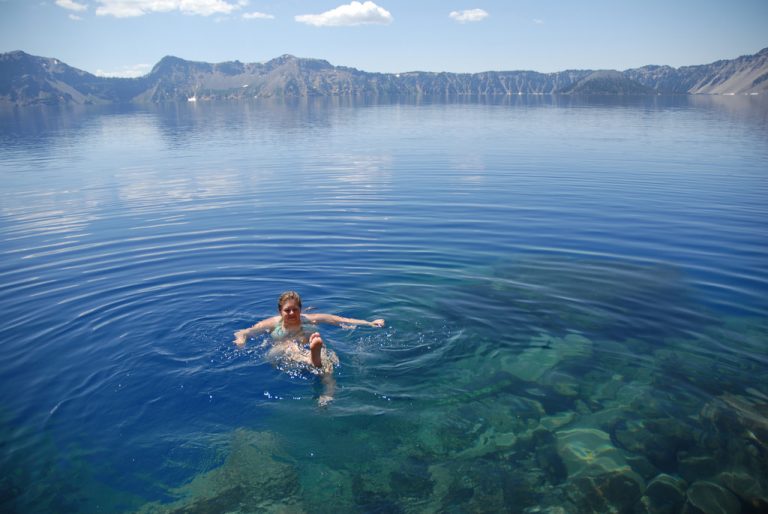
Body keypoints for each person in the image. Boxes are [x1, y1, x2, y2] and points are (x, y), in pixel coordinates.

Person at [233, 291, 385, 404]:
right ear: (280, 311)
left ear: (300, 309)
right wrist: (241, 340)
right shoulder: (272, 323)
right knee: (291, 347)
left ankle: (328, 393)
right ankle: (313, 358)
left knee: (326, 361)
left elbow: (340, 320)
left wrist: (370, 323)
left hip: (304, 347)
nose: (291, 313)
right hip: (281, 350)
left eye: (295, 309)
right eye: (287, 310)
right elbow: (244, 332)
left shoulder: (309, 319)